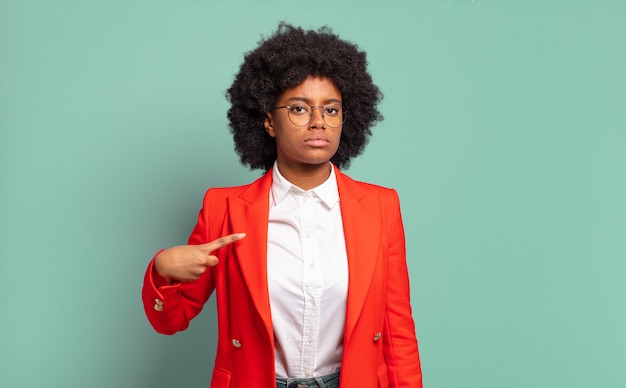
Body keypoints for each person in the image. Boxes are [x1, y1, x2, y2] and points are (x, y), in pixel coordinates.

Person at [141, 23, 423, 388]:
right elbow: (171, 320)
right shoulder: (223, 208)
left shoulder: (381, 206)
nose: (319, 121)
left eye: (332, 110)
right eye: (299, 109)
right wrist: (162, 271)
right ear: (269, 121)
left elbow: (397, 330)